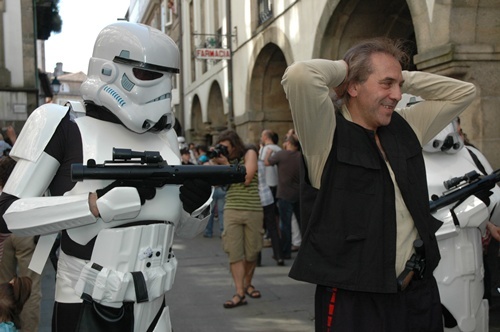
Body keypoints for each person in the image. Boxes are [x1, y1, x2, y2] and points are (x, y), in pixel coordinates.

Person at [0, 22, 212, 332]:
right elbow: (8, 214)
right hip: (86, 302)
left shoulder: (165, 136)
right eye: (148, 73)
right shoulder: (61, 123)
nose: (161, 87)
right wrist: (94, 205)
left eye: (168, 77)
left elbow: (181, 227)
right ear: (110, 69)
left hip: (155, 305)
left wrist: (197, 208)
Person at [281, 37, 476, 331]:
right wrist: (346, 69)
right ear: (353, 86)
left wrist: (400, 75)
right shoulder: (325, 135)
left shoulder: (407, 126)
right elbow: (299, 75)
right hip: (355, 299)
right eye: (386, 84)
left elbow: (464, 92)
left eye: (399, 85)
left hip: (417, 293)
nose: (397, 95)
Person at [423, 118, 500, 331]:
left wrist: (489, 216)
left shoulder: (471, 156)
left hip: (473, 272)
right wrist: (459, 217)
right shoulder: (403, 158)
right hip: (431, 274)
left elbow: (495, 204)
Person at [210, 130, 264, 308]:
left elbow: (247, 178)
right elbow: (216, 182)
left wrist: (226, 164)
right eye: (220, 147)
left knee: (251, 252)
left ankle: (248, 284)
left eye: (225, 147)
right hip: (231, 208)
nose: (223, 150)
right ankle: (240, 292)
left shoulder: (249, 152)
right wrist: (215, 163)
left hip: (252, 209)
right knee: (234, 252)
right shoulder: (223, 160)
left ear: (234, 145)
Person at [264, 133, 301, 260]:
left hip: (284, 194)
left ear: (289, 144)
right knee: (302, 222)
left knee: (285, 224)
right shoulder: (301, 156)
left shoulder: (281, 155)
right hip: (299, 194)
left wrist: (268, 152)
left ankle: (286, 251)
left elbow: (267, 163)